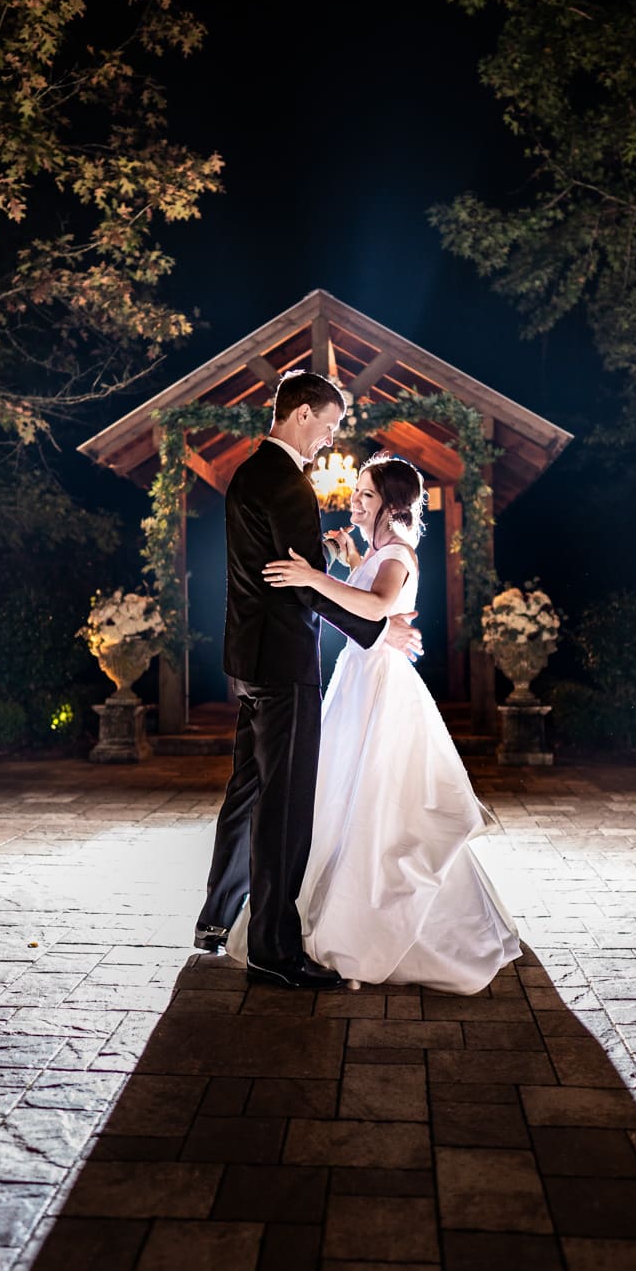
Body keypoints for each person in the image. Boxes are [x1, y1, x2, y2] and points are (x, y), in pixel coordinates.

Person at [225, 452, 521, 995]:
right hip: (358, 679)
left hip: (380, 688)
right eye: (356, 492)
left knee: (379, 803)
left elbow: (378, 604)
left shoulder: (399, 554)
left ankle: (388, 927)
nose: (353, 501)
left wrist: (316, 576)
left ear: (391, 504)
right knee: (340, 796)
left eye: (364, 494)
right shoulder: (380, 550)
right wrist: (345, 556)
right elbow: (370, 606)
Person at [193, 371, 423, 991]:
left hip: (247, 658)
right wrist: (381, 631)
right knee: (286, 806)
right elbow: (303, 581)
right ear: (299, 414)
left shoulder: (247, 474)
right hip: (284, 663)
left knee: (246, 791)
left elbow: (291, 577)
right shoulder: (289, 486)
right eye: (328, 425)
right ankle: (273, 947)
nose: (329, 440)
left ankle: (216, 918)